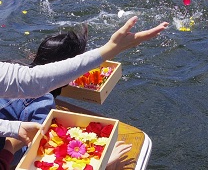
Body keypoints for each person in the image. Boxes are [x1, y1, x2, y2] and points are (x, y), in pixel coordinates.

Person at [0, 16, 168, 168]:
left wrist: (12, 127)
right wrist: (103, 163)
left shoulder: (17, 73)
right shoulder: (43, 101)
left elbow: (33, 80)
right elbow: (31, 159)